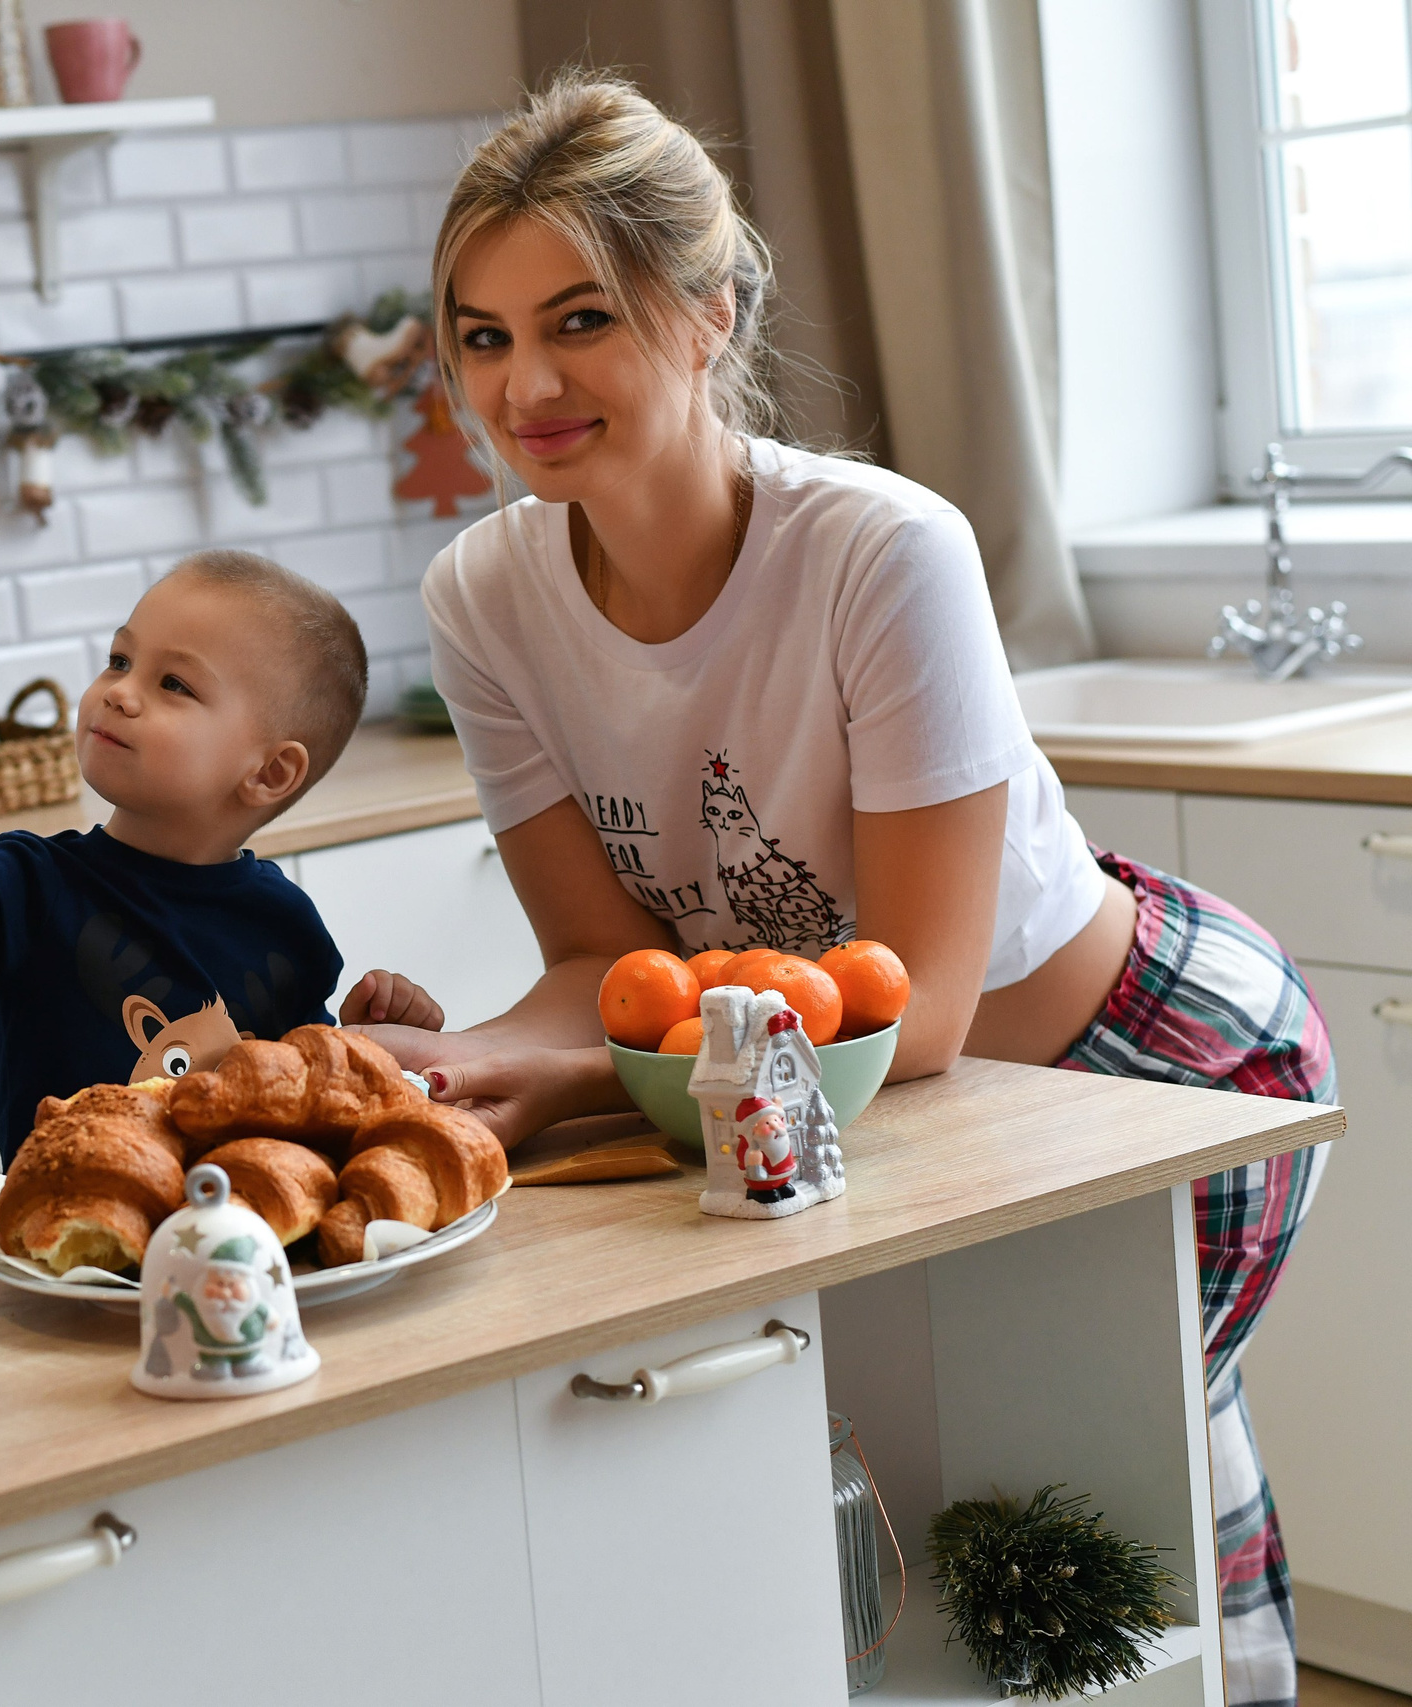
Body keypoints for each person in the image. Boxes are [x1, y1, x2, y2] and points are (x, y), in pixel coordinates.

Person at [358, 73, 1330, 1707]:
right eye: (479, 334)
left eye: (578, 317)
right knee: (946, 1563)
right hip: (866, 1117)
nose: (522, 381)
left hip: (1136, 1071)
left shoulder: (882, 552)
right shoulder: (484, 594)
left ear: (704, 315)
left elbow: (921, 1004)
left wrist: (558, 1073)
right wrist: (457, 1062)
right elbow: (600, 963)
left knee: (1095, 1519)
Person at [0, 548, 396, 1160]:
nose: (120, 692)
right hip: (65, 1243)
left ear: (270, 772)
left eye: (173, 683)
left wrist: (369, 1038)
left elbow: (307, 1109)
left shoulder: (285, 924)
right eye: (119, 659)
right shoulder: (30, 886)